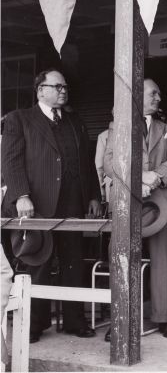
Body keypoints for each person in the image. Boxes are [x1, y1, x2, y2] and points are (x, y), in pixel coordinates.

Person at [1, 68, 102, 343]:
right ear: (40, 90)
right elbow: (10, 161)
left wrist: (93, 195)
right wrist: (21, 195)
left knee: (73, 262)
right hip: (37, 204)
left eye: (64, 87)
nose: (63, 91)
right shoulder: (19, 119)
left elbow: (87, 164)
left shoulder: (75, 122)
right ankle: (34, 324)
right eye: (56, 87)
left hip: (73, 202)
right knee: (38, 262)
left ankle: (74, 320)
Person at [104, 78, 167, 339]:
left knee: (162, 261)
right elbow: (110, 162)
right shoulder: (120, 126)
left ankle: (164, 318)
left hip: (161, 203)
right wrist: (140, 178)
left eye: (159, 93)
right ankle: (120, 319)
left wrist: (156, 177)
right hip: (128, 202)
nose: (158, 97)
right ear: (137, 96)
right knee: (124, 259)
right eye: (153, 93)